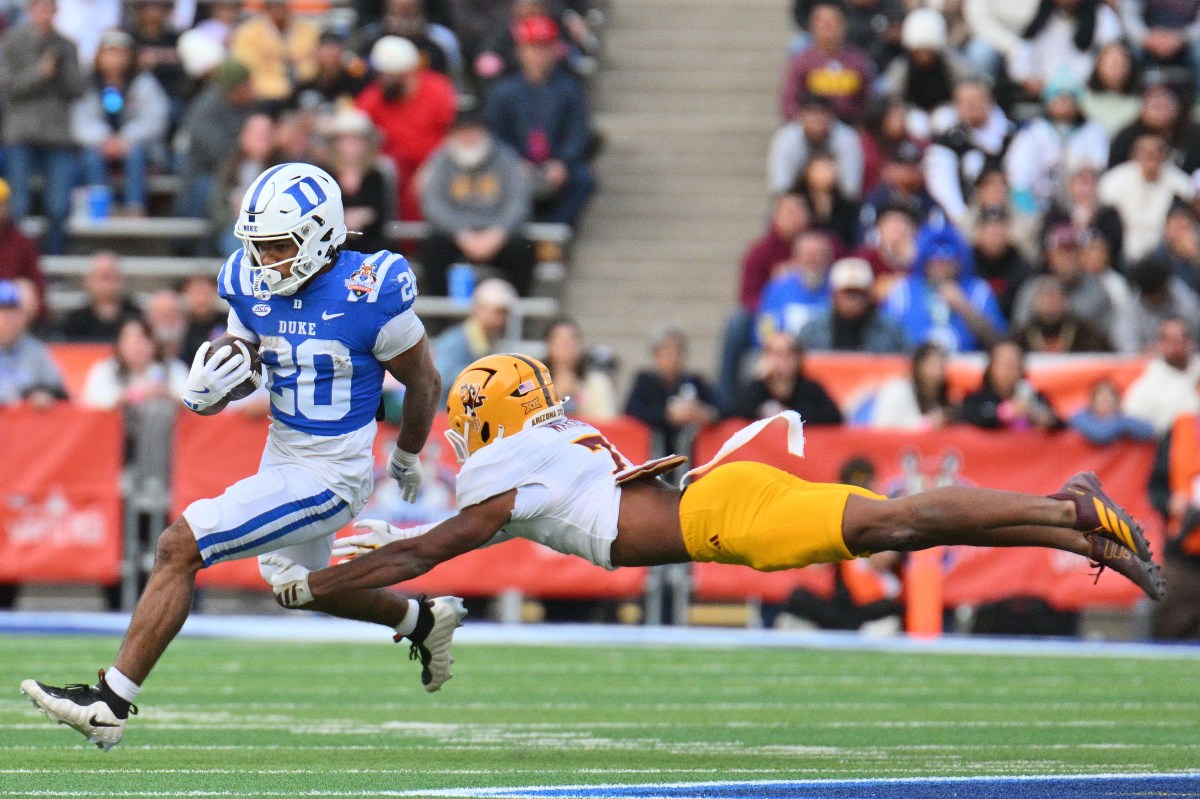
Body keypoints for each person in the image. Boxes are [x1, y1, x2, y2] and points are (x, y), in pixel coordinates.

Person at [261, 354, 1165, 651]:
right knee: (896, 526)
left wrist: (339, 579)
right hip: (720, 504)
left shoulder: (514, 459)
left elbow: (437, 551)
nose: (460, 441)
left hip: (723, 519)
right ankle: (1065, 507)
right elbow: (435, 531)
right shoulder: (549, 440)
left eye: (466, 424)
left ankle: (1067, 509)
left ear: (489, 420)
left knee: (897, 520)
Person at [21, 163, 464, 751]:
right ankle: (422, 620)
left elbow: (425, 382)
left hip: (333, 470)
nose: (267, 262)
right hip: (282, 452)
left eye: (279, 246)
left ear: (322, 235)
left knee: (181, 544)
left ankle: (111, 700)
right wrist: (212, 386)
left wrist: (407, 455)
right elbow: (245, 353)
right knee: (296, 585)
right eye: (258, 247)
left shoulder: (371, 290)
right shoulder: (248, 280)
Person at [484, 14, 594, 228]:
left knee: (583, 179)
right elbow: (495, 133)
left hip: (555, 164)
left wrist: (562, 162)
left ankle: (553, 231)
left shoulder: (569, 89)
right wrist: (514, 161)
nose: (538, 55)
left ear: (555, 50)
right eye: (532, 47)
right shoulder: (504, 91)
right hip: (516, 164)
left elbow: (578, 131)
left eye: (544, 47)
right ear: (520, 51)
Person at [0, 0, 86, 255]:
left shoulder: (66, 44)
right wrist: (40, 72)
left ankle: (54, 260)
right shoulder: (13, 41)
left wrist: (58, 71)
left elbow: (79, 87)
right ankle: (16, 261)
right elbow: (8, 86)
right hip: (21, 133)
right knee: (19, 205)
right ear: (30, 11)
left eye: (51, 8)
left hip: (58, 135)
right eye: (41, 8)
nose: (46, 14)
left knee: (59, 205)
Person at [419, 112, 534, 296]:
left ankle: (515, 314)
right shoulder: (441, 160)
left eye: (473, 131)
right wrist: (461, 234)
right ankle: (440, 320)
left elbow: (518, 202)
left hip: (497, 234)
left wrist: (498, 233)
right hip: (456, 235)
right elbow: (433, 204)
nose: (468, 137)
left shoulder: (505, 158)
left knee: (523, 249)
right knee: (432, 248)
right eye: (462, 131)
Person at [356, 35, 457, 222]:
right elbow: (356, 127)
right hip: (396, 171)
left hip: (439, 163)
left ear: (406, 73)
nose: (382, 80)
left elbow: (455, 136)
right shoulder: (375, 96)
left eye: (388, 75)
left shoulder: (437, 89)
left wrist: (431, 167)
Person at [73, 30, 171, 217]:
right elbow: (79, 120)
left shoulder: (144, 83)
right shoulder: (87, 84)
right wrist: (104, 139)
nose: (114, 59)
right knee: (90, 157)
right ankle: (101, 208)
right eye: (109, 52)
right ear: (98, 56)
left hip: (136, 146)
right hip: (98, 146)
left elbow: (156, 118)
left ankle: (135, 207)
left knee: (136, 155)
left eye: (120, 53)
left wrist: (126, 139)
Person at [882, 223, 1006, 353]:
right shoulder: (903, 291)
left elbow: (999, 343)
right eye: (933, 253)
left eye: (948, 253)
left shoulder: (978, 291)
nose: (940, 261)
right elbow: (883, 339)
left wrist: (963, 307)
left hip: (966, 369)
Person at [922, 79, 1015, 230]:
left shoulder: (1011, 136)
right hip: (969, 219)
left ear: (989, 101)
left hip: (1011, 216)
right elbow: (943, 189)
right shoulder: (947, 142)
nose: (971, 106)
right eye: (964, 102)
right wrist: (965, 222)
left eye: (976, 100)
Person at [625, 325, 718, 457]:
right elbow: (632, 411)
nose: (673, 355)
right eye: (667, 350)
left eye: (678, 349)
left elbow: (722, 409)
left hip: (691, 458)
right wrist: (667, 415)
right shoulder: (644, 381)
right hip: (653, 456)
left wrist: (702, 413)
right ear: (656, 354)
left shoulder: (695, 381)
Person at [1099, 133, 1194, 262]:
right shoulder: (1114, 181)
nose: (1151, 157)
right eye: (1145, 152)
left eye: (1157, 152)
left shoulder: (1180, 184)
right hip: (1124, 249)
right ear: (1134, 154)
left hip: (1166, 252)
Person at [780, 2, 874, 124]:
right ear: (812, 26)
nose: (828, 26)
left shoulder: (857, 60)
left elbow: (867, 99)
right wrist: (805, 123)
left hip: (849, 128)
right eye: (822, 22)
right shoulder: (801, 61)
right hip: (808, 127)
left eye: (833, 21)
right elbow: (789, 101)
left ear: (843, 25)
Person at [798, 257, 908, 354]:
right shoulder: (813, 330)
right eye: (848, 293)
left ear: (869, 295)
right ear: (833, 295)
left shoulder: (890, 330)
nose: (853, 300)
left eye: (859, 293)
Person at [730, 331, 842, 424]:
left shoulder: (811, 388)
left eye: (788, 354)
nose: (782, 360)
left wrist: (790, 418)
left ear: (798, 358)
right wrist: (757, 379)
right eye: (776, 354)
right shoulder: (758, 388)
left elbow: (835, 418)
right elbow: (735, 413)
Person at [433, 277, 518, 400]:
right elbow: (442, 378)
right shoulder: (455, 341)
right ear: (479, 308)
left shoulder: (489, 342)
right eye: (498, 311)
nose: (502, 318)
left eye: (504, 313)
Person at [80, 316, 188, 410]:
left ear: (154, 343)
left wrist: (164, 394)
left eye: (142, 339)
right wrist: (133, 395)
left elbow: (192, 401)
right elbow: (92, 402)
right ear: (119, 345)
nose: (136, 346)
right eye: (129, 340)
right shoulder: (105, 369)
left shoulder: (174, 368)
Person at [768, 94, 863, 199]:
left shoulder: (846, 139)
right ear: (801, 116)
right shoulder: (786, 140)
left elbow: (851, 189)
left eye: (822, 114)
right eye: (812, 114)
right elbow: (781, 186)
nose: (817, 120)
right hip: (797, 198)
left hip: (839, 202)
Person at [228, 0, 319, 104]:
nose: (278, 9)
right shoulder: (246, 32)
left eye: (281, 5)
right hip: (264, 92)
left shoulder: (307, 29)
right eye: (273, 5)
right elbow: (246, 65)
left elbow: (312, 61)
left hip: (304, 85)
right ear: (265, 7)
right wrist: (279, 66)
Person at [961, 340, 1062, 432]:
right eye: (1004, 364)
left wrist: (1045, 419)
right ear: (991, 368)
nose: (1009, 370)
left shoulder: (1034, 397)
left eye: (1014, 364)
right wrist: (1003, 413)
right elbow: (968, 419)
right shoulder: (976, 399)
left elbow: (1059, 423)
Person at [1122, 317, 1200, 436]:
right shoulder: (1148, 385)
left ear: (1192, 342)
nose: (1178, 344)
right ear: (1159, 345)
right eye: (1171, 340)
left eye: (1183, 337)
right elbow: (1131, 420)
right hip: (1174, 445)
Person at [1112, 255, 1200, 355]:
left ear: (1166, 287)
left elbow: (1196, 336)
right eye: (1153, 296)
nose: (1157, 299)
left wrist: (1178, 347)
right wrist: (1149, 351)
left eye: (1160, 294)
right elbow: (1125, 344)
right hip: (1148, 362)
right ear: (1143, 293)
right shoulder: (1131, 307)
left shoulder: (1185, 300)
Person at [0, 279, 66, 407]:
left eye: (13, 311)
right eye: (3, 311)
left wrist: (44, 394)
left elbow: (59, 392)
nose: (9, 318)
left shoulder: (36, 351)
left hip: (27, 426)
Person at [864, 341, 956, 430]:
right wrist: (927, 424)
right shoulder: (898, 390)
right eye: (932, 365)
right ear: (918, 366)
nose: (937, 372)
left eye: (941, 366)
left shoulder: (940, 395)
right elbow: (883, 428)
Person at [541, 315, 617, 420]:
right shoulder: (535, 383)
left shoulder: (597, 383)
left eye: (572, 338)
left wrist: (579, 398)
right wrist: (557, 394)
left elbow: (605, 422)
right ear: (548, 343)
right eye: (559, 338)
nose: (566, 343)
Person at [1012, 276, 1112, 353]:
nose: (1051, 302)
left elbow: (1107, 358)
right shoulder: (1021, 337)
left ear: (1065, 301)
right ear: (1035, 303)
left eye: (1055, 296)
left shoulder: (1086, 334)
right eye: (1045, 296)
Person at [55, 251, 141, 341]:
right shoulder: (74, 322)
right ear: (88, 281)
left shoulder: (137, 318)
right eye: (103, 277)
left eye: (112, 277)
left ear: (122, 280)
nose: (108, 284)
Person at [0, 178, 45, 319]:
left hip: (13, 314)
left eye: (1, 204)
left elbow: (36, 284)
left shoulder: (22, 242)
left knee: (24, 290)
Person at [1069, 379, 1155, 446]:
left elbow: (1148, 431)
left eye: (1110, 397)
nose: (1106, 401)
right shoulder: (1080, 417)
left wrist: (1120, 422)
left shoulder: (1123, 417)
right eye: (1102, 398)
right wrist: (1121, 425)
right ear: (1092, 401)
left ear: (1118, 401)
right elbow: (1100, 435)